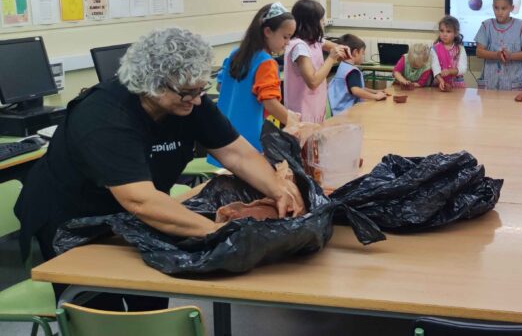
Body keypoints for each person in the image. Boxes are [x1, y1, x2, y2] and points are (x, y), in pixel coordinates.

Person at [15, 28, 305, 311]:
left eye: (201, 89)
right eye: (187, 93)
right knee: (98, 306)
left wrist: (278, 189)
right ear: (150, 84)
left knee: (152, 293)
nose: (197, 100)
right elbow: (140, 200)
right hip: (72, 216)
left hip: (132, 210)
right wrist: (218, 232)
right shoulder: (104, 116)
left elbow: (236, 153)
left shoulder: (190, 99)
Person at [214, 2, 295, 163]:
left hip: (224, 135)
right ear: (268, 32)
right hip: (250, 140)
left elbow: (220, 86)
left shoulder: (235, 54)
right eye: (285, 37)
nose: (287, 42)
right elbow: (270, 103)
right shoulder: (266, 62)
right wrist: (294, 122)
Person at [283, 0, 350, 123]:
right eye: (321, 19)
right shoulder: (299, 47)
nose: (323, 23)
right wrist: (331, 58)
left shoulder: (314, 40)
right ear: (311, 22)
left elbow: (334, 47)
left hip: (315, 108)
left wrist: (344, 50)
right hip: (301, 111)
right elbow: (313, 82)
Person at [474, 0, 522, 90]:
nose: (499, 12)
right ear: (492, 7)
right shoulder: (486, 26)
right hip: (490, 85)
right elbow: (479, 52)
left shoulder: (521, 26)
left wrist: (511, 56)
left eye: (504, 8)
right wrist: (496, 55)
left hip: (514, 86)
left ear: (512, 8)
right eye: (496, 8)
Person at [328, 34, 387, 114]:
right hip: (345, 111)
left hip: (337, 108)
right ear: (355, 52)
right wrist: (375, 96)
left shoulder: (343, 66)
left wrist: (375, 91)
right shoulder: (352, 71)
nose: (364, 55)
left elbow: (358, 87)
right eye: (362, 52)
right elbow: (356, 90)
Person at [431, 15, 468, 91]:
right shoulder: (435, 49)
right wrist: (441, 81)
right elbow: (435, 67)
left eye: (448, 31)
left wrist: (449, 71)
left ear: (456, 33)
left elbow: (463, 68)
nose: (444, 34)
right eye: (442, 31)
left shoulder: (460, 49)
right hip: (440, 84)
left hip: (457, 86)